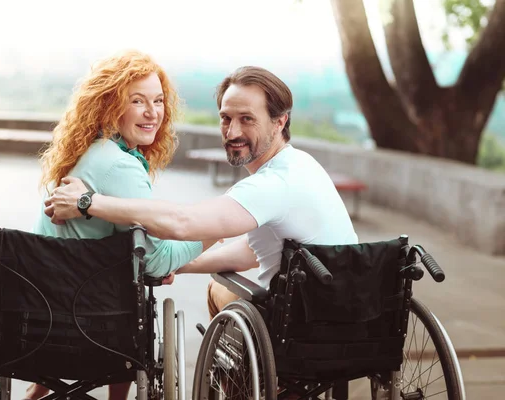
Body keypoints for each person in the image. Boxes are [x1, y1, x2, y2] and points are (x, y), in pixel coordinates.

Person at [44, 65, 359, 321]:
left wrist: (89, 202)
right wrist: (180, 265)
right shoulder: (303, 164)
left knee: (217, 291)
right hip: (348, 312)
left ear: (280, 122)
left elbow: (182, 223)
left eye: (247, 119)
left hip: (300, 321)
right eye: (226, 118)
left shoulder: (271, 184)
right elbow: (255, 251)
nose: (232, 132)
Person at [25, 50, 218, 400]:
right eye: (138, 101)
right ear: (111, 107)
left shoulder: (89, 153)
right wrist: (212, 233)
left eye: (158, 101)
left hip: (42, 314)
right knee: (132, 300)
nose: (153, 112)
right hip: (96, 323)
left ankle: (37, 392)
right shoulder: (120, 167)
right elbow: (157, 261)